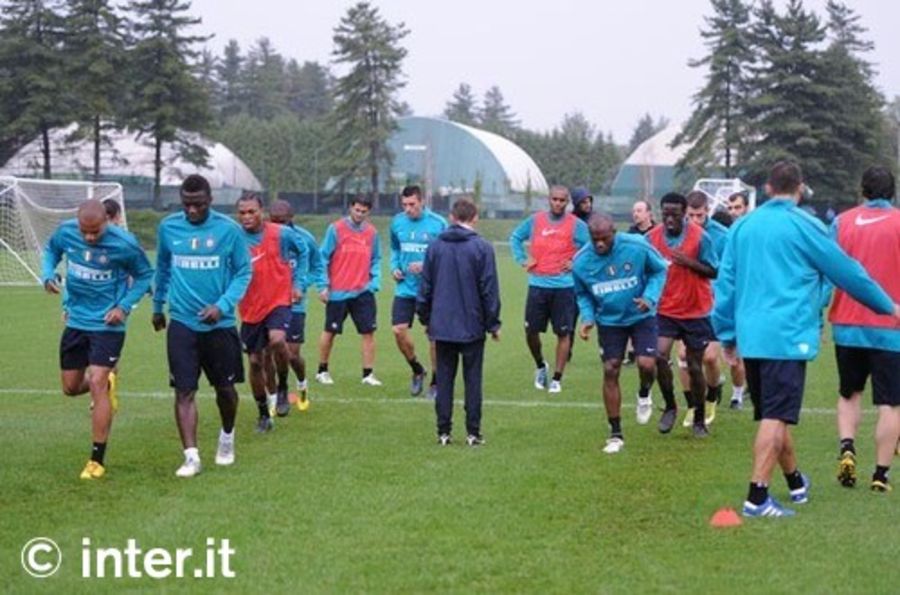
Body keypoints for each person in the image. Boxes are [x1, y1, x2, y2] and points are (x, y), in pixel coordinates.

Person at [713, 161, 900, 517]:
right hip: (786, 337)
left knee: (773, 415)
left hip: (752, 336)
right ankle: (757, 497)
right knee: (776, 417)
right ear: (800, 189)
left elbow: (726, 284)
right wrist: (888, 305)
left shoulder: (743, 226)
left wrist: (727, 335)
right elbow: (848, 273)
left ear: (768, 189)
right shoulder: (806, 225)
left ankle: (796, 482)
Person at [42, 200, 153, 479]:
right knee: (70, 387)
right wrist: (48, 274)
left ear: (106, 221)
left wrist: (123, 307)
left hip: (107, 324)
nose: (90, 237)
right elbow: (51, 250)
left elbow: (144, 275)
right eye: (85, 232)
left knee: (96, 381)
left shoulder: (124, 244)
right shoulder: (66, 231)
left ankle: (96, 460)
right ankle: (108, 383)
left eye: (95, 232)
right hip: (76, 321)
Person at [153, 174, 252, 478]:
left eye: (198, 204)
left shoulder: (229, 230)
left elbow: (243, 272)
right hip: (182, 322)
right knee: (184, 391)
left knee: (225, 389)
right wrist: (157, 306)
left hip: (220, 326)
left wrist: (222, 306)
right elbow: (163, 267)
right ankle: (191, 457)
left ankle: (227, 435)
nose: (192, 210)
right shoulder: (169, 227)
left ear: (210, 200)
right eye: (186, 204)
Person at [828, 166, 900, 493]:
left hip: (847, 324)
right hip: (890, 326)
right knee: (890, 404)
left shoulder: (841, 222)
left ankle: (847, 447)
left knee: (849, 394)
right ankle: (880, 475)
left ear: (863, 191)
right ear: (893, 192)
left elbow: (827, 267)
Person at [573, 213, 668, 453]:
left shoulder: (637, 245)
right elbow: (582, 294)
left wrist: (650, 297)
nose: (600, 244)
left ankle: (644, 393)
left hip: (641, 315)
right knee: (610, 368)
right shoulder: (581, 261)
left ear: (614, 233)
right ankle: (615, 434)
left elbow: (659, 270)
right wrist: (587, 318)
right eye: (595, 239)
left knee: (647, 364)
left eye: (604, 239)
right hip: (609, 321)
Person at [417, 198, 500, 446]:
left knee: (444, 379)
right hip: (472, 325)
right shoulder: (482, 247)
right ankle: (473, 433)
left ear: (452, 217)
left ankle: (443, 432)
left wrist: (426, 318)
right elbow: (489, 289)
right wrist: (493, 323)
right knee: (473, 379)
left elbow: (425, 287)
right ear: (475, 218)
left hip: (442, 324)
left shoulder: (435, 247)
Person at [647, 192, 718, 438]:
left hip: (696, 309)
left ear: (684, 213)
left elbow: (714, 271)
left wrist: (689, 262)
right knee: (658, 355)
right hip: (665, 309)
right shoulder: (651, 238)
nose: (669, 219)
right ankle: (670, 406)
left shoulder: (701, 237)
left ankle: (699, 418)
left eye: (674, 215)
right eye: (665, 214)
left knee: (694, 366)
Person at [236, 194, 308, 430]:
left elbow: (303, 252)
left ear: (262, 211)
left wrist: (298, 283)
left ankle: (283, 385)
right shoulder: (234, 238)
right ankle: (263, 413)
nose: (247, 217)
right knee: (255, 362)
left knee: (277, 340)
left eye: (251, 211)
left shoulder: (281, 233)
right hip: (250, 306)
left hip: (278, 300)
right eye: (242, 213)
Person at [509, 185, 589, 393]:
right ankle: (540, 365)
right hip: (538, 284)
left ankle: (557, 378)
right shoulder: (535, 221)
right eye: (555, 199)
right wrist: (522, 258)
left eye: (562, 200)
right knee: (531, 331)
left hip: (564, 286)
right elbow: (515, 237)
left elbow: (591, 245)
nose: (558, 203)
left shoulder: (576, 225)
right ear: (549, 200)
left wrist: (576, 262)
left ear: (567, 202)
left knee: (563, 333)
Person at [682, 190, 741, 423]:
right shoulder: (679, 233)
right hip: (685, 302)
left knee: (709, 358)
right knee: (684, 357)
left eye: (699, 215)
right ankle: (691, 406)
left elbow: (726, 273)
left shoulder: (722, 236)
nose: (695, 220)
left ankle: (712, 395)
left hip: (713, 303)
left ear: (707, 211)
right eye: (691, 215)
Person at [316, 196, 382, 386]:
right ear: (350, 208)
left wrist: (374, 281)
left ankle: (368, 374)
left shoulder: (372, 233)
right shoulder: (335, 229)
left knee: (368, 332)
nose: (359, 214)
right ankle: (322, 371)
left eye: (363, 211)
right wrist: (323, 285)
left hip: (363, 292)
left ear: (368, 212)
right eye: (357, 210)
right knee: (330, 331)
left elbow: (376, 259)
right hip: (338, 292)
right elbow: (323, 257)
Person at [390, 185, 448, 398]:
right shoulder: (397, 222)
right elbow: (395, 248)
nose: (408, 209)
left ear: (422, 201)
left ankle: (436, 381)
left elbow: (446, 255)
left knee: (434, 336)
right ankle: (417, 369)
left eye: (412, 204)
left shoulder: (438, 224)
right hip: (405, 288)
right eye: (404, 204)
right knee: (398, 330)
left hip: (431, 290)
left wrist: (425, 266)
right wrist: (394, 267)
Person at [268, 199, 323, 413]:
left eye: (283, 221)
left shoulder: (304, 239)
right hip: (269, 303)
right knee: (270, 353)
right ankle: (275, 396)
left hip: (294, 304)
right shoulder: (264, 237)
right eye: (274, 221)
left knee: (291, 355)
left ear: (291, 218)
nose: (279, 226)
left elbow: (317, 267)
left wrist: (302, 285)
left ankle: (301, 382)